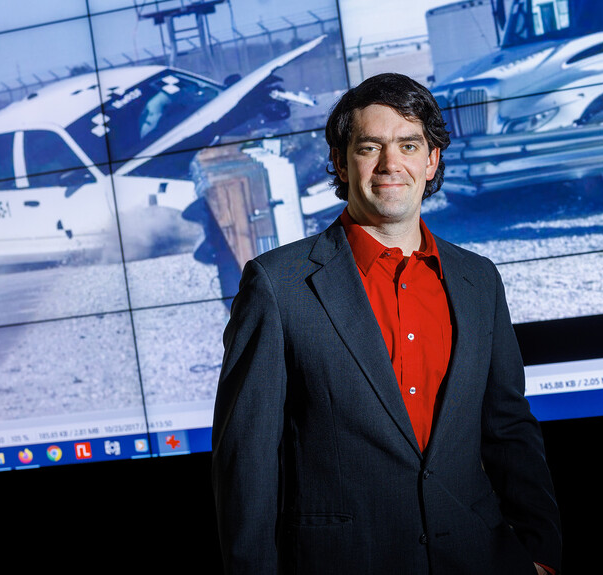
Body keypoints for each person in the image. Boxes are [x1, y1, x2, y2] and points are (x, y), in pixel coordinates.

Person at [212, 73, 562, 574]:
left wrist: (541, 552)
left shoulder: (477, 280)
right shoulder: (277, 285)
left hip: (479, 559)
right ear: (340, 161)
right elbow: (246, 461)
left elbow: (508, 429)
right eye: (369, 146)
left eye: (409, 145)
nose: (390, 164)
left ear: (431, 160)